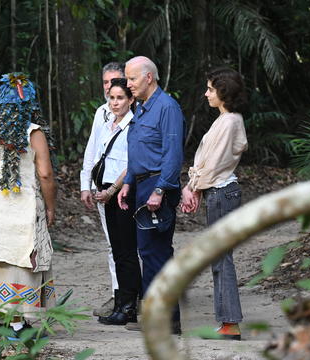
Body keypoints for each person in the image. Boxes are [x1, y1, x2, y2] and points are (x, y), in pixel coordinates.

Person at [0, 73, 56, 337]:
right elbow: (45, 174)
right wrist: (51, 207)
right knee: (23, 261)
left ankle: (0, 317)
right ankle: (19, 322)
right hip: (24, 208)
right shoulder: (34, 133)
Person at [117, 56, 185, 333]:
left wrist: (160, 190)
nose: (128, 83)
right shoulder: (143, 108)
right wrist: (128, 183)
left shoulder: (167, 107)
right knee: (147, 251)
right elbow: (138, 150)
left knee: (156, 253)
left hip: (159, 186)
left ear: (149, 77)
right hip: (142, 185)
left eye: (132, 78)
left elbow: (173, 154)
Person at [181, 67, 247, 340]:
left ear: (223, 93)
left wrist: (192, 187)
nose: (206, 93)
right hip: (219, 192)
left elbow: (214, 163)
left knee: (221, 258)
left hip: (222, 192)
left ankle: (230, 323)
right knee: (219, 258)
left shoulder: (230, 121)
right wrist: (195, 186)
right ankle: (227, 322)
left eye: (210, 89)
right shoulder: (224, 120)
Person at [93, 78, 141, 326]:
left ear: (131, 100)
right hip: (107, 192)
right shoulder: (107, 123)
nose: (114, 102)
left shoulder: (134, 126)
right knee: (117, 250)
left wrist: (112, 190)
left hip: (123, 193)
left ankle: (129, 306)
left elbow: (131, 163)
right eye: (111, 97)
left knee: (127, 251)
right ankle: (122, 304)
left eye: (120, 98)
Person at [80, 62, 125, 317]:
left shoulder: (135, 111)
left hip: (126, 186)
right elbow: (92, 149)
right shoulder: (101, 112)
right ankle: (117, 294)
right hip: (102, 186)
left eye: (115, 81)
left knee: (131, 245)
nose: (110, 88)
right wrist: (85, 184)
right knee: (112, 244)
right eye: (106, 83)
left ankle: (134, 295)